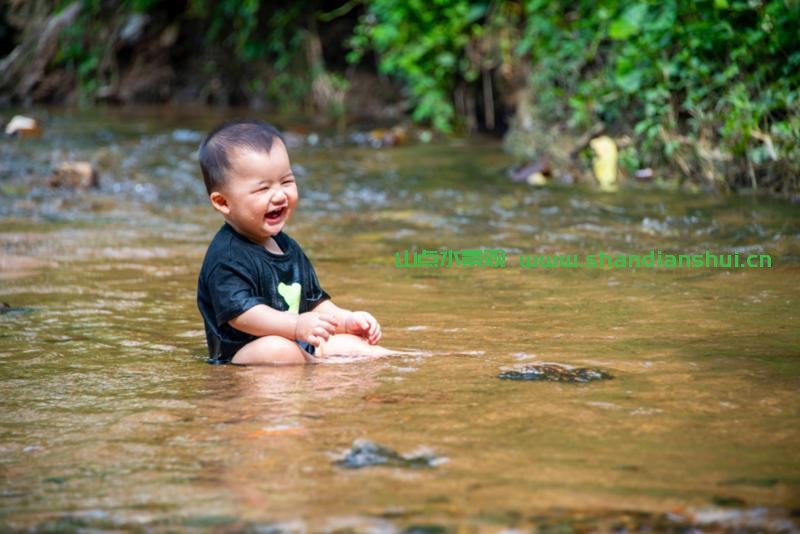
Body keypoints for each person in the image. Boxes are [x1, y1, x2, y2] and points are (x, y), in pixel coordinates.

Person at [196, 119, 392, 365]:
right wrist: (296, 325)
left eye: (286, 182)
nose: (279, 195)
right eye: (262, 189)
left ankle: (399, 359)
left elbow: (314, 303)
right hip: (242, 353)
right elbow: (242, 316)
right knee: (277, 349)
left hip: (296, 341)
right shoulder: (226, 256)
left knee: (356, 345)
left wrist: (346, 320)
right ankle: (320, 366)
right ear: (223, 202)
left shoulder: (288, 247)